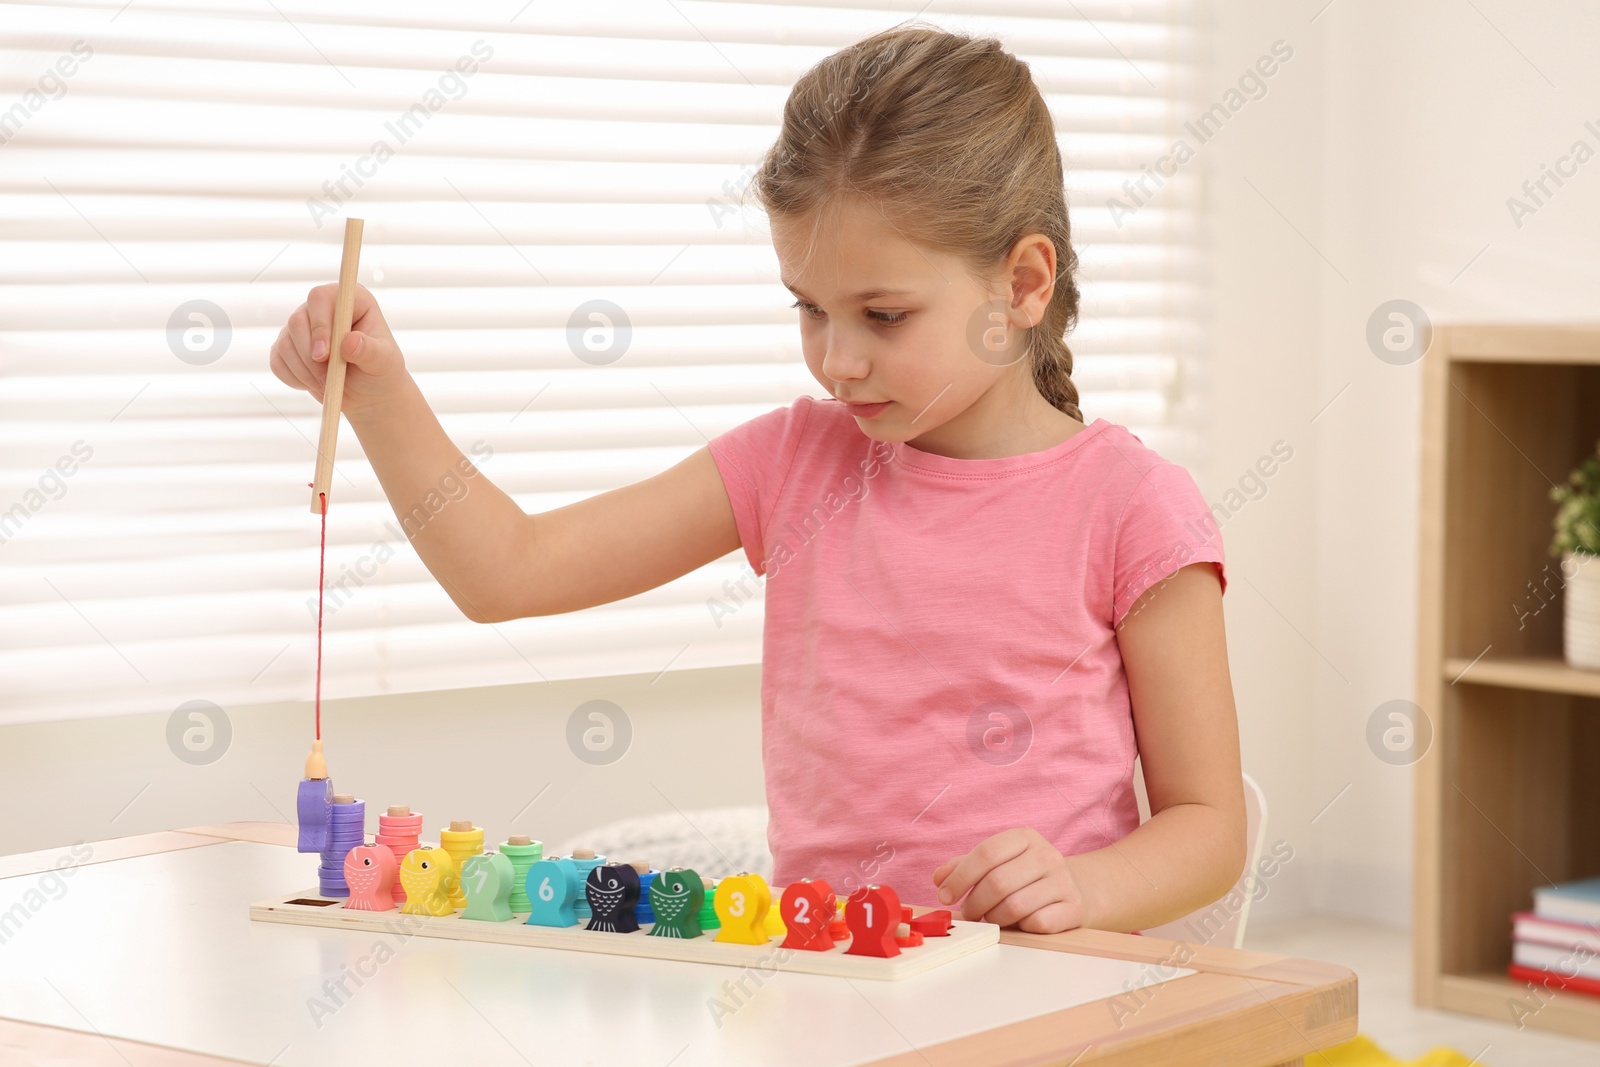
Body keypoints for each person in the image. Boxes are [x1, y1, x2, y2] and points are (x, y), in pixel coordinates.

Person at [269, 21, 1244, 934]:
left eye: (884, 314)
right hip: (830, 985)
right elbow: (510, 570)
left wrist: (1086, 883)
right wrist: (379, 393)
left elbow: (1209, 821)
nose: (836, 359)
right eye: (808, 308)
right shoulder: (795, 461)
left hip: (1035, 997)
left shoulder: (1129, 507)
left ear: (1023, 283)